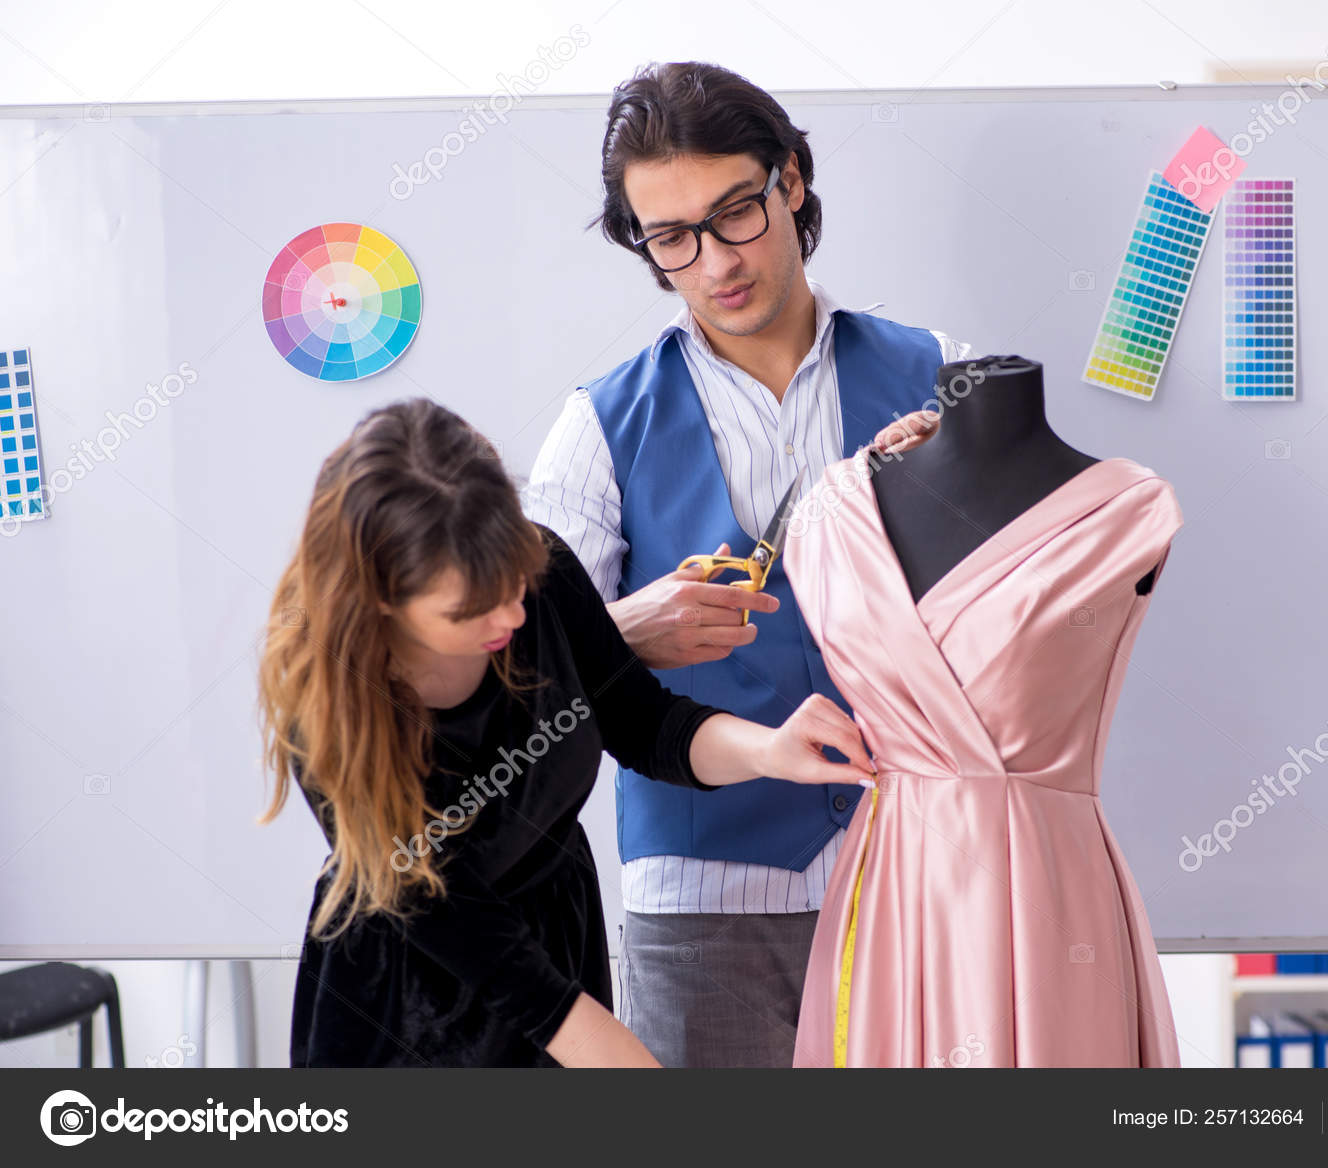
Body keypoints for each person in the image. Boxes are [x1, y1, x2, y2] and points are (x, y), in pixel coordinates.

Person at [523, 59, 972, 1069]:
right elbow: (513, 670)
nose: (715, 260)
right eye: (670, 238)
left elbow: (1040, 616)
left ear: (792, 182)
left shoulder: (946, 377)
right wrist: (627, 629)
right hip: (702, 906)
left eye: (735, 213)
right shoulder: (597, 427)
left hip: (918, 872)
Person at [257, 398, 875, 1067]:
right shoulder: (329, 704)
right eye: (470, 609)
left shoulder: (540, 572)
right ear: (381, 598)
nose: (511, 615)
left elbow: (645, 722)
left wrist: (771, 750)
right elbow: (472, 937)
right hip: (414, 984)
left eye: (514, 583)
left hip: (554, 941)